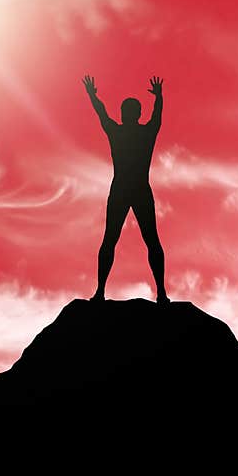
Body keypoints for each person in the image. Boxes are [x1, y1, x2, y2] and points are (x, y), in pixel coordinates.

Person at [83, 74, 168, 304]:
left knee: (134, 240)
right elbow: (156, 119)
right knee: (117, 240)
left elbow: (103, 114)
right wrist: (158, 98)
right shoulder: (133, 133)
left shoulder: (123, 133)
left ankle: (160, 292)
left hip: (129, 188)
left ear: (129, 114)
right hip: (131, 188)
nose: (124, 115)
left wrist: (93, 96)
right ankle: (102, 291)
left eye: (126, 112)